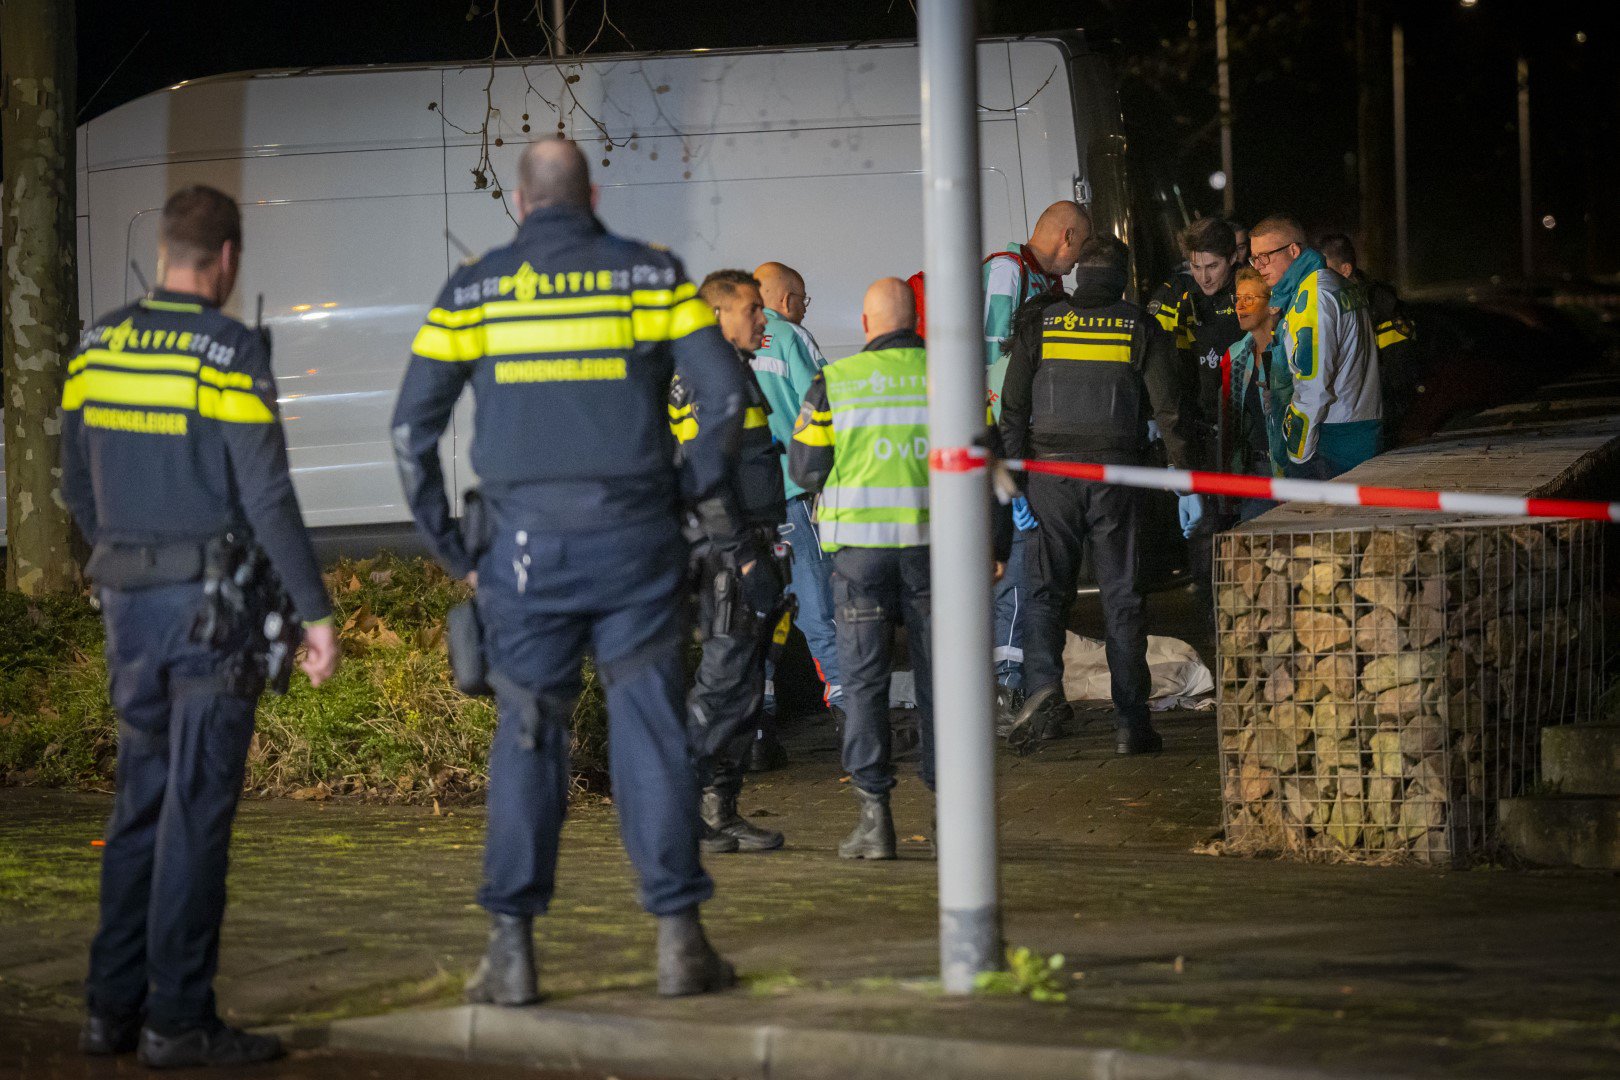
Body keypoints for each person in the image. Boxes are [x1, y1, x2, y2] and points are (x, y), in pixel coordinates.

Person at [392, 139, 748, 1003]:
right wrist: (685, 492)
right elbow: (727, 396)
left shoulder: (473, 289)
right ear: (592, 195)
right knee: (650, 729)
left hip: (521, 553)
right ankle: (679, 943)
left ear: (520, 201)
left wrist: (452, 547)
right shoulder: (650, 276)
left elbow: (409, 432)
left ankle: (511, 954)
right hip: (636, 543)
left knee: (527, 732)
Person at [62, 186, 341, 1067]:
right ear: (225, 260)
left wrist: (119, 555)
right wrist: (315, 611)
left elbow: (75, 483)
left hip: (129, 613)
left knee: (139, 802)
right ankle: (178, 1020)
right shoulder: (228, 349)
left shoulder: (95, 345)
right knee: (194, 813)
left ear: (163, 253)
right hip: (209, 617)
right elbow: (266, 493)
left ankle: (110, 1009)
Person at [999, 235, 1200, 756]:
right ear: (1123, 277)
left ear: (1079, 274)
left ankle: (1046, 710)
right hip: (1115, 479)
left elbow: (1013, 410)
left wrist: (1014, 484)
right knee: (1122, 596)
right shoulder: (1139, 326)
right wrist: (1183, 478)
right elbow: (1169, 411)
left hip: (1049, 479)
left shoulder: (1041, 323)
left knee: (1045, 594)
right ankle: (1131, 724)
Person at [787, 280, 939, 859]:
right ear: (915, 321)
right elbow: (987, 457)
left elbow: (804, 470)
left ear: (866, 323)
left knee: (865, 681)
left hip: (859, 558)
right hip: (933, 552)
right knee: (941, 682)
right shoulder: (949, 376)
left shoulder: (837, 382)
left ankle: (876, 821)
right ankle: (951, 817)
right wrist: (994, 544)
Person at [673, 269, 789, 852]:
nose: (763, 319)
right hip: (730, 554)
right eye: (752, 309)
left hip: (754, 544)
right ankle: (680, 807)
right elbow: (707, 480)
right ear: (717, 316)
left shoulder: (734, 373)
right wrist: (743, 556)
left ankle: (720, 808)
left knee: (744, 686)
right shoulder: (699, 380)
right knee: (722, 682)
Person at [985, 201, 1090, 723]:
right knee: (1017, 559)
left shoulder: (1041, 281)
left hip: (1019, 441)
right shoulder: (1008, 271)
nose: (1079, 261)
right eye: (1081, 247)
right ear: (1065, 236)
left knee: (1029, 562)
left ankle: (1021, 679)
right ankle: (1006, 685)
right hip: (1005, 443)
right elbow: (993, 358)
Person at [750, 261, 843, 726]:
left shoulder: (726, 342)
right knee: (818, 607)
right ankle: (848, 706)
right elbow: (828, 400)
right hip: (794, 494)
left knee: (760, 611)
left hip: (746, 505)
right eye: (803, 300)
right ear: (787, 300)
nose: (804, 309)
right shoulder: (790, 336)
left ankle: (760, 715)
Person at [1146, 218, 1243, 629]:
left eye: (1213, 266)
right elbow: (1152, 358)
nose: (1204, 277)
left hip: (1243, 432)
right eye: (1196, 266)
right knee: (1204, 536)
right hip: (1197, 432)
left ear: (1233, 258)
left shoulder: (1248, 291)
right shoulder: (1175, 294)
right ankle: (1212, 622)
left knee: (1245, 528)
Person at [1248, 215, 1381, 479]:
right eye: (1254, 259)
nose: (1259, 267)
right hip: (1360, 427)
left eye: (1265, 257)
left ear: (1293, 250)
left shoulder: (1312, 297)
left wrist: (1297, 455)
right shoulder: (1335, 283)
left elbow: (1313, 385)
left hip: (1330, 440)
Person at [1318, 233, 1419, 447]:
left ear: (1346, 269)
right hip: (1346, 418)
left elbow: (1398, 370)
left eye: (1326, 271)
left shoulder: (1381, 305)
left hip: (1380, 420)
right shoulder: (1330, 304)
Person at [1221, 267, 1293, 521]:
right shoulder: (1235, 356)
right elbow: (1231, 427)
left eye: (1249, 299)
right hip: (1255, 473)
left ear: (1273, 306)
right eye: (1237, 298)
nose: (1239, 306)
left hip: (1292, 467)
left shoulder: (1291, 349)